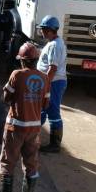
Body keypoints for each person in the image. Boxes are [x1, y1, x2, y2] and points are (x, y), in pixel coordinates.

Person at [0, 42, 50, 192]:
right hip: (34, 128)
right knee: (31, 164)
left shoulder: (16, 74)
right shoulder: (45, 78)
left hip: (15, 127)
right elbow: (45, 103)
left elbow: (5, 97)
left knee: (8, 162)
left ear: (22, 61)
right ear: (36, 60)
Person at [36, 15, 67, 153]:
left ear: (49, 30)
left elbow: (52, 68)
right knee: (42, 110)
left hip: (53, 82)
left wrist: (45, 85)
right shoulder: (53, 43)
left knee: (53, 111)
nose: (41, 32)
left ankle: (55, 145)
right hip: (52, 82)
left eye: (43, 29)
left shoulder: (55, 45)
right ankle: (31, 137)